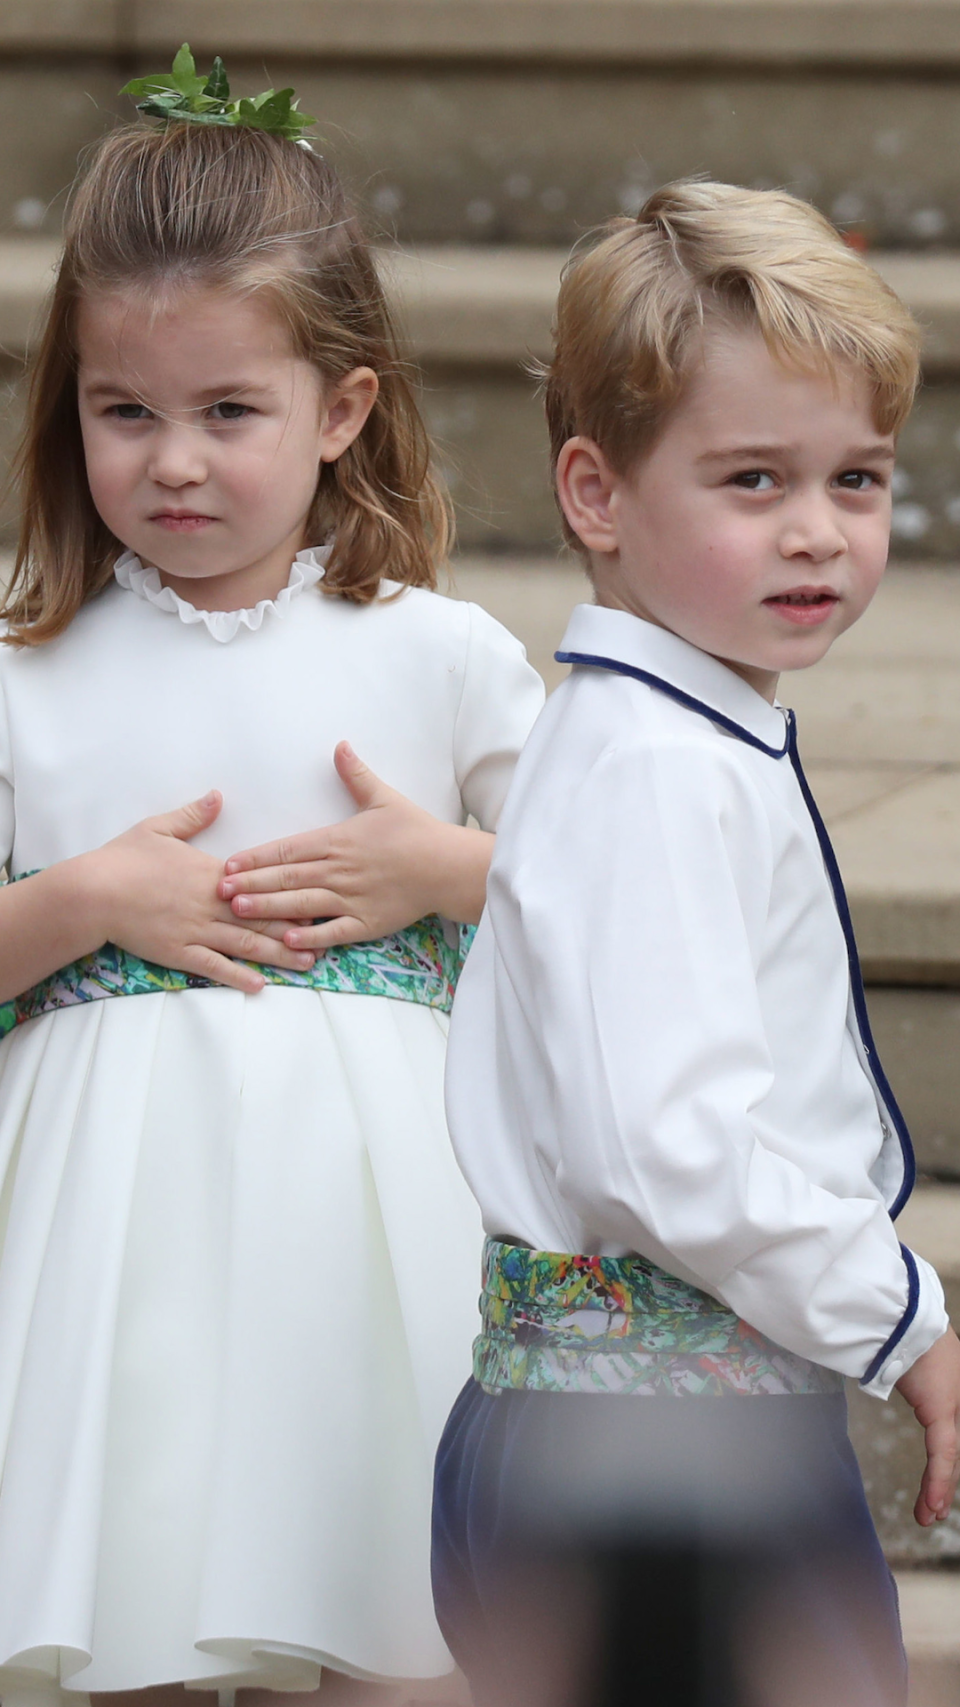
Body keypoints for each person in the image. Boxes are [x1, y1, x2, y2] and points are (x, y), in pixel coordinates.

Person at [0, 49, 544, 1707]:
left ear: (344, 409)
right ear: (67, 403)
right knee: (133, 1615)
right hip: (109, 1238)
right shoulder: (28, 668)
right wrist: (82, 902)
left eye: (229, 411)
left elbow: (602, 906)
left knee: (397, 1621)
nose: (175, 461)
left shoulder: (439, 655)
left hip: (371, 1228)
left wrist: (439, 866)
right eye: (126, 411)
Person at [435, 180, 960, 1707]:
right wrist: (905, 1317)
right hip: (655, 1449)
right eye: (752, 480)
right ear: (595, 495)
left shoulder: (670, 737)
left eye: (857, 479)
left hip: (647, 1419)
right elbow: (670, 1142)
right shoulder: (658, 767)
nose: (820, 532)